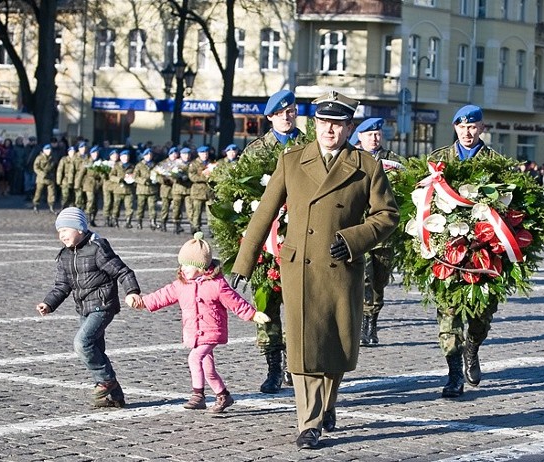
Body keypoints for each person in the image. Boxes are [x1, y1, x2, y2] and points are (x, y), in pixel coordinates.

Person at [230, 90, 399, 449]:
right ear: (315, 124)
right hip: (300, 266)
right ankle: (309, 423)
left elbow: (387, 216)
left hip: (342, 267)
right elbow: (265, 211)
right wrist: (244, 260)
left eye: (338, 124)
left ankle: (326, 405)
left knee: (336, 344)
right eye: (324, 122)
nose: (330, 130)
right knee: (305, 344)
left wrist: (355, 238)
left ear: (349, 127)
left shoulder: (366, 166)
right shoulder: (292, 160)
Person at [130, 233, 271, 413]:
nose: (183, 268)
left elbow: (235, 301)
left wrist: (252, 314)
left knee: (194, 358)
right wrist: (142, 302)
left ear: (201, 266)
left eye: (188, 264)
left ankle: (198, 395)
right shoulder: (181, 284)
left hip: (211, 330)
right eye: (182, 264)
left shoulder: (217, 284)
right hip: (194, 332)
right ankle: (223, 395)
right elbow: (162, 295)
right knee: (208, 368)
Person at [427, 104, 504, 399]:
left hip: (484, 253)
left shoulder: (495, 163)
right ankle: (454, 374)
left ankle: (472, 346)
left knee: (481, 315)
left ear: (481, 128)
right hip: (447, 252)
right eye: (462, 126)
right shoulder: (438, 160)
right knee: (447, 314)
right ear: (455, 128)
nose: (467, 132)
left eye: (472, 126)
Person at [239, 89, 309, 394]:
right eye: (281, 113)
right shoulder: (255, 152)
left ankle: (296, 364)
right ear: (270, 117)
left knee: (301, 307)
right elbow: (238, 196)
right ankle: (272, 368)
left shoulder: (310, 146)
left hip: (301, 240)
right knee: (267, 304)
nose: (287, 116)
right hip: (267, 244)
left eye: (291, 111)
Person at [36, 207, 142, 408]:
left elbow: (123, 271)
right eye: (59, 232)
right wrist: (48, 304)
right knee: (96, 350)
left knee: (82, 343)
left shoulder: (97, 249)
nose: (62, 235)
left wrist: (132, 291)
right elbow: (62, 286)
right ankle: (116, 397)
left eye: (66, 230)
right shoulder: (65, 256)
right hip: (83, 307)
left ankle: (106, 380)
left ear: (80, 229)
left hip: (103, 306)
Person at [353, 117, 406, 346]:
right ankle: (364, 325)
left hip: (384, 232)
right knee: (363, 276)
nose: (374, 138)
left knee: (379, 279)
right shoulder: (353, 159)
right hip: (359, 227)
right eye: (369, 134)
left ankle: (372, 318)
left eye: (377, 134)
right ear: (360, 137)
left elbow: (407, 187)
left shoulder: (393, 161)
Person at [133, 148, 160, 230]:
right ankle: (139, 221)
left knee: (152, 207)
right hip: (142, 189)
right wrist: (144, 181)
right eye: (147, 155)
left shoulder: (154, 165)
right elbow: (135, 177)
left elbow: (158, 174)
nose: (149, 157)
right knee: (140, 207)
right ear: (144, 156)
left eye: (150, 155)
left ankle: (153, 222)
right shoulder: (139, 165)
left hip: (152, 189)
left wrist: (156, 179)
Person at [110, 150, 136, 228]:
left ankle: (128, 221)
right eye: (124, 156)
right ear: (120, 157)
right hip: (118, 189)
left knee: (129, 206)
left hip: (129, 189)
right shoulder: (116, 166)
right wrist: (119, 179)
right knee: (116, 206)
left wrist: (132, 178)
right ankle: (115, 220)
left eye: (127, 156)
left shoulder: (132, 166)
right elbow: (111, 176)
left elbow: (135, 175)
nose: (126, 158)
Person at [156, 146, 180, 232]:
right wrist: (164, 180)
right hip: (166, 189)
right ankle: (163, 223)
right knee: (165, 208)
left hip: (176, 189)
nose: (174, 155)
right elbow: (157, 176)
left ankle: (176, 224)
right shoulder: (163, 163)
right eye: (172, 153)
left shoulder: (179, 163)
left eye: (175, 153)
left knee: (177, 207)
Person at [32, 144, 57, 213]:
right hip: (41, 178)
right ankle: (35, 205)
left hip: (50, 178)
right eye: (47, 150)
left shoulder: (52, 157)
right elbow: (35, 167)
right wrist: (42, 173)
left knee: (52, 193)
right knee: (38, 192)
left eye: (49, 150)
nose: (49, 151)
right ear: (44, 150)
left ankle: (51, 206)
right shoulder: (39, 158)